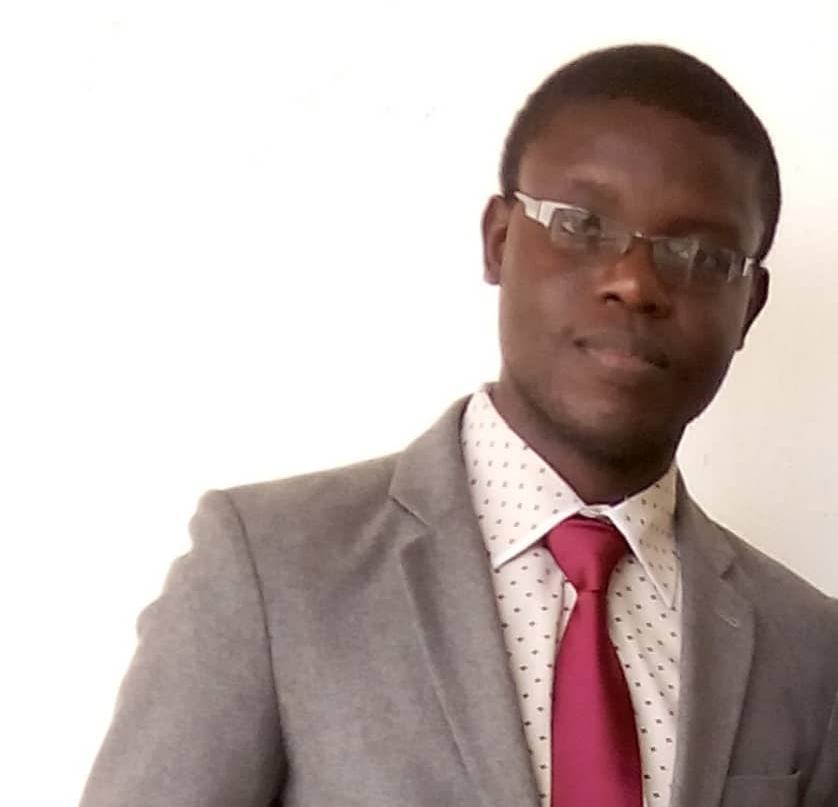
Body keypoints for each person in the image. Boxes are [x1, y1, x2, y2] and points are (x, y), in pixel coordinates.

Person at [80, 44, 838, 807]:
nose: (634, 282)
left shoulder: (810, 651)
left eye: (700, 256)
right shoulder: (268, 569)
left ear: (749, 307)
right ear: (499, 241)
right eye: (582, 224)